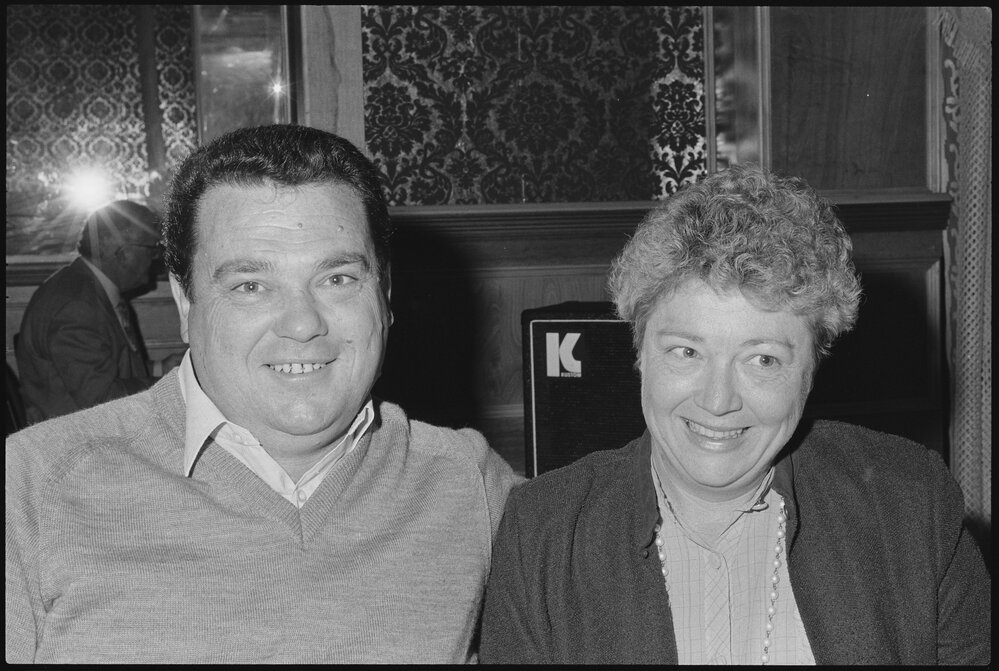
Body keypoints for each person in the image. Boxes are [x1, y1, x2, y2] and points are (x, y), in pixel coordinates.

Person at [6, 125, 522, 663]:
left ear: (385, 294)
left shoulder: (468, 483)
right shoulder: (31, 490)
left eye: (338, 279)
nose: (302, 324)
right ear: (186, 305)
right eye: (250, 286)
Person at [478, 164, 991, 665]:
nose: (718, 400)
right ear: (639, 354)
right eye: (686, 352)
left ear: (812, 369)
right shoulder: (541, 534)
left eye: (762, 359)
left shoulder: (910, 507)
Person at [15, 200, 180, 423]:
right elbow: (102, 399)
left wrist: (162, 369)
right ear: (120, 252)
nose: (155, 260)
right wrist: (173, 386)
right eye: (151, 250)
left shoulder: (91, 289)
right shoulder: (77, 307)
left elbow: (108, 374)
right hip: (76, 443)